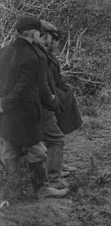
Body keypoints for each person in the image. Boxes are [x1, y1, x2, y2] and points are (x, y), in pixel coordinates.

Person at [0, 16, 68, 200]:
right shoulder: (35, 56)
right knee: (37, 151)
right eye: (40, 32)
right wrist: (55, 104)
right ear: (34, 33)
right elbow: (38, 89)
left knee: (10, 151)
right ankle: (42, 189)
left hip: (6, 115)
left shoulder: (4, 51)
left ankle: (14, 192)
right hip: (26, 113)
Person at [40, 21, 81, 189]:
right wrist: (57, 99)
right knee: (55, 138)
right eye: (55, 40)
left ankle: (58, 165)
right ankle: (53, 178)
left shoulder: (48, 55)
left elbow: (56, 79)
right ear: (47, 38)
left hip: (50, 99)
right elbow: (46, 83)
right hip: (45, 102)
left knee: (58, 133)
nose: (57, 44)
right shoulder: (41, 56)